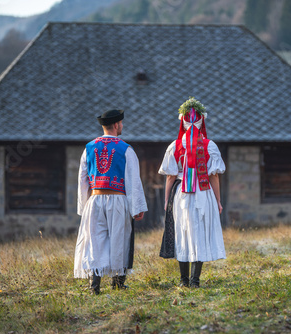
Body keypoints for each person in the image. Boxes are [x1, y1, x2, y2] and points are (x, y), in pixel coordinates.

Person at [74, 109, 148, 295]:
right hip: (118, 199)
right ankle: (117, 283)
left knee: (95, 241)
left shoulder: (89, 148)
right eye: (121, 124)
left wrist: (84, 205)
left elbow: (82, 179)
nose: (121, 126)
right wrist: (136, 207)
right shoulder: (125, 149)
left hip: (95, 199)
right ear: (116, 125)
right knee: (119, 239)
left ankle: (94, 286)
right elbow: (133, 180)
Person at [158, 97, 226, 288]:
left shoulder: (175, 146)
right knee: (199, 232)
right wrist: (218, 200)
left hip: (182, 195)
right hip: (204, 192)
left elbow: (170, 177)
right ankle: (195, 281)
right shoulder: (210, 146)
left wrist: (166, 201)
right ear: (202, 121)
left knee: (183, 232)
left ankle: (183, 280)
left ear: (183, 122)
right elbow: (214, 177)